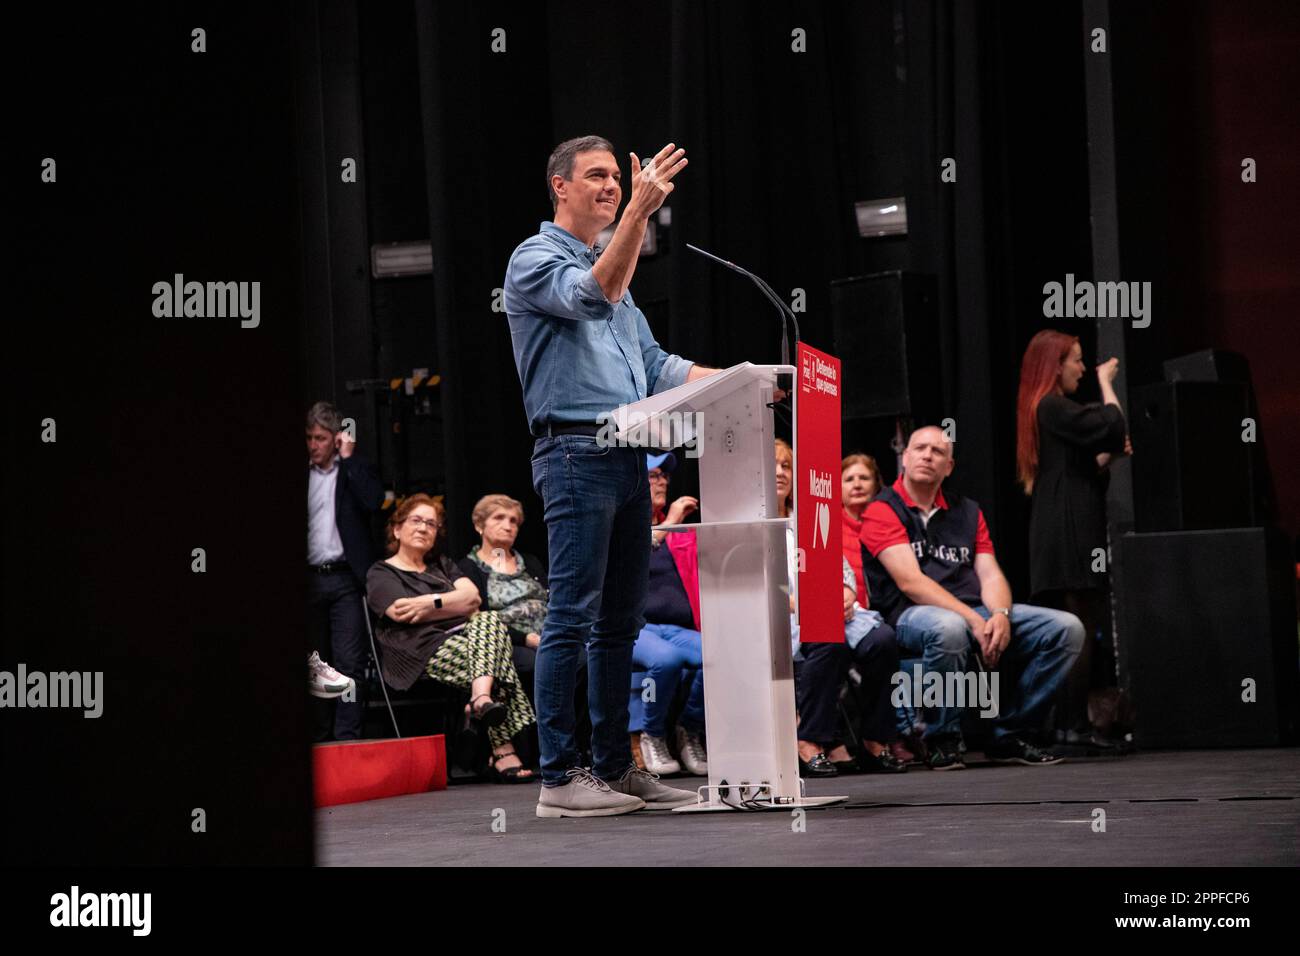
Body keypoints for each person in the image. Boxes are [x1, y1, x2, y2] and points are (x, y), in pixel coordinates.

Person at [504, 134, 718, 817]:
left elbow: (657, 367)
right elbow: (592, 299)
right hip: (575, 453)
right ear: (558, 187)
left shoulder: (614, 268)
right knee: (572, 615)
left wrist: (746, 381)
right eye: (596, 176)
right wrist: (640, 216)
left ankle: (613, 767)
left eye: (616, 181)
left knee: (619, 623)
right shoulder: (535, 259)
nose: (610, 187)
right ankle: (557, 778)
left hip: (631, 454)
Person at [860, 426, 1085, 770]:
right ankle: (942, 737)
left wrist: (1001, 615)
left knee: (1066, 628)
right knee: (947, 626)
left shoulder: (967, 511)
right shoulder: (882, 509)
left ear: (949, 466)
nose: (927, 455)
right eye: (919, 448)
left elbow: (990, 574)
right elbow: (911, 582)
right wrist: (973, 618)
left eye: (937, 451)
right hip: (910, 614)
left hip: (973, 610)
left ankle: (1009, 731)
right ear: (904, 458)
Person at [366, 495, 537, 784]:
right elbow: (400, 613)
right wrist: (449, 604)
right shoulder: (381, 572)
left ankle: (481, 700)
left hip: (467, 641)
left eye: (431, 524)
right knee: (494, 644)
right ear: (397, 529)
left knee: (487, 618)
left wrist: (428, 604)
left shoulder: (442, 566)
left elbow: (472, 599)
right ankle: (496, 734)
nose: (424, 528)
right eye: (416, 521)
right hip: (416, 651)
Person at [1016, 331, 1130, 740]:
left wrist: (1109, 456)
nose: (1081, 369)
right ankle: (1071, 724)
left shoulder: (1048, 410)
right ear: (1055, 365)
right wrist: (1105, 382)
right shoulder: (1051, 405)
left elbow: (1086, 464)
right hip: (1066, 527)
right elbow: (1113, 424)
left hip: (1065, 522)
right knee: (1077, 620)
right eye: (1077, 361)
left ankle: (1071, 722)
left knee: (1081, 621)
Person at [306, 401, 384, 740]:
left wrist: (349, 459)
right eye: (309, 438)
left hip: (344, 580)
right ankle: (319, 739)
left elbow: (374, 502)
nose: (313, 445)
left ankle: (346, 738)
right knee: (313, 665)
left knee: (348, 663)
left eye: (321, 438)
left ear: (336, 439)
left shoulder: (354, 469)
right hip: (309, 580)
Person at [633, 452, 708, 776]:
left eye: (664, 475)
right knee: (667, 660)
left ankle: (688, 730)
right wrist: (670, 521)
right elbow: (632, 561)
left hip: (679, 628)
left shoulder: (681, 532)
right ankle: (653, 734)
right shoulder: (622, 523)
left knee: (720, 654)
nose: (662, 480)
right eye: (653, 474)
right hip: (636, 629)